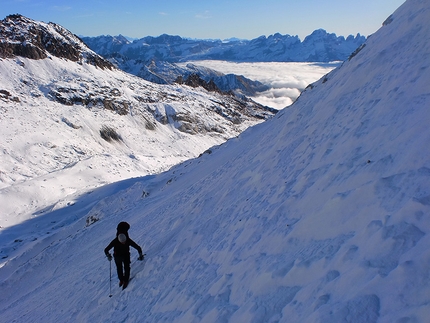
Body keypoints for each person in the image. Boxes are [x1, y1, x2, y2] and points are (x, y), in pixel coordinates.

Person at [104, 222, 144, 289]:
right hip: (124, 255)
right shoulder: (127, 240)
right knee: (126, 267)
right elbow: (137, 247)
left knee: (120, 268)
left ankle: (123, 280)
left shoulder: (116, 240)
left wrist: (108, 255)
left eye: (124, 242)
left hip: (118, 256)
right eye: (122, 242)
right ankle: (124, 280)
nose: (124, 243)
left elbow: (106, 250)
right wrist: (140, 254)